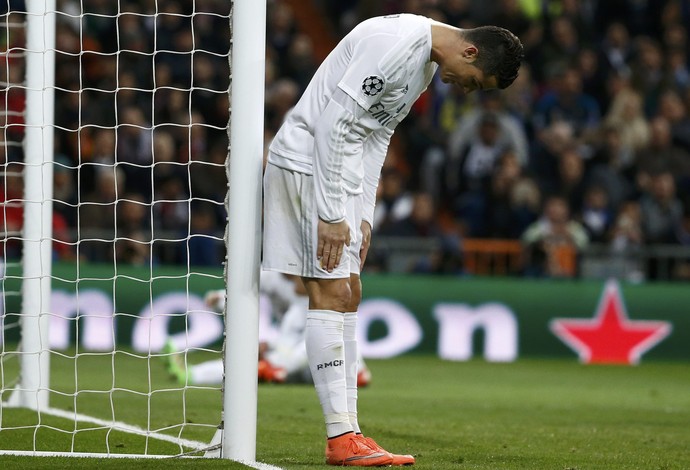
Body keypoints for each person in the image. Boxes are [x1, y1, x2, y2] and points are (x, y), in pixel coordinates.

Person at [262, 13, 523, 467]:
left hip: (335, 174)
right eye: (475, 82)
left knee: (349, 293)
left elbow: (377, 135)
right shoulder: (395, 44)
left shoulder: (422, 64)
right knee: (329, 290)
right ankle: (340, 438)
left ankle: (350, 433)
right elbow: (332, 126)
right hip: (309, 164)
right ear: (470, 52)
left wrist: (363, 216)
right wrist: (330, 214)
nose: (466, 89)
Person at [162, 270, 371, 387]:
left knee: (319, 342)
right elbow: (289, 341)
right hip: (306, 370)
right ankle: (191, 375)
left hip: (333, 369)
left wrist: (274, 360)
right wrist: (269, 347)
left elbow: (312, 345)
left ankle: (354, 371)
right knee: (253, 361)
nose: (296, 279)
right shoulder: (295, 309)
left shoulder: (322, 306)